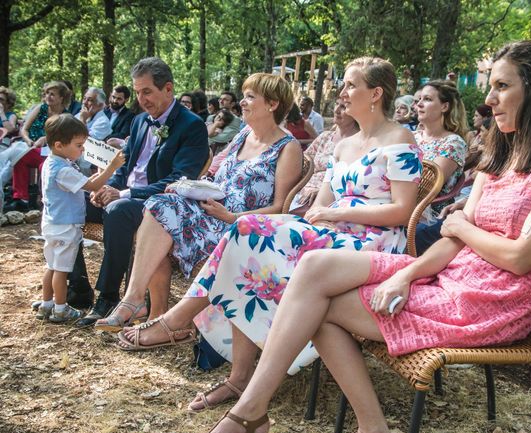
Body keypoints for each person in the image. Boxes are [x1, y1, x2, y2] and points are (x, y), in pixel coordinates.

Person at [172, 40, 531, 433]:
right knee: (314, 268)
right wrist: (407, 274)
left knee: (318, 307)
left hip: (493, 299)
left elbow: (521, 258)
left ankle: (302, 426)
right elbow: (452, 242)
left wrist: (461, 228)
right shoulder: (500, 156)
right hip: (451, 273)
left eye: (501, 87)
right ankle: (268, 417)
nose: (488, 101)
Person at [117, 57, 421, 413]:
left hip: (374, 243)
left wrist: (333, 215)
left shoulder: (400, 139)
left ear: (376, 93)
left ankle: (183, 324)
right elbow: (318, 208)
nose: (342, 92)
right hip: (332, 233)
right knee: (247, 235)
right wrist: (313, 221)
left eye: (351, 85)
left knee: (251, 234)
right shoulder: (345, 145)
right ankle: (235, 371)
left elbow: (402, 210)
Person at [94, 73, 302, 330]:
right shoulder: (243, 135)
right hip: (209, 210)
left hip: (240, 226)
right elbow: (213, 174)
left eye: (250, 97)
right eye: (244, 96)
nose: (242, 103)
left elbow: (281, 207)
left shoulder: (288, 147)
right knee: (160, 204)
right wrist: (188, 187)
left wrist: (229, 216)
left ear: (272, 104)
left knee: (161, 217)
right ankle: (137, 300)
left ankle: (146, 308)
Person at [69, 57, 209, 327]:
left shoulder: (192, 126)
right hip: (122, 195)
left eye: (147, 91)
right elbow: (125, 166)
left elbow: (180, 179)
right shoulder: (139, 121)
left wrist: (122, 194)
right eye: (137, 92)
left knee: (118, 211)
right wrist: (106, 187)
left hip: (157, 204)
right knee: (71, 205)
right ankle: (78, 287)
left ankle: (109, 298)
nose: (141, 99)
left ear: (168, 89)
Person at [37, 114, 125, 323]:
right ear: (59, 145)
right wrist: (112, 168)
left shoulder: (53, 163)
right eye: (78, 145)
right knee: (62, 269)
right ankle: (60, 309)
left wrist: (102, 171)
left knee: (51, 266)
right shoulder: (63, 170)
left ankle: (46, 304)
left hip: (52, 223)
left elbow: (86, 181)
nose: (82, 149)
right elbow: (92, 186)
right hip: (65, 226)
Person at [412, 80, 468, 253]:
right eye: (419, 99)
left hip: (430, 214)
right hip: (398, 201)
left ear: (444, 106)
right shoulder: (411, 136)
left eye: (427, 99)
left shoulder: (453, 143)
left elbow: (426, 185)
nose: (419, 104)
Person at [5, 81, 70, 212]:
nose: (48, 97)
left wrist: (46, 138)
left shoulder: (65, 116)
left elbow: (64, 139)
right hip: (30, 147)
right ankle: (21, 199)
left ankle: (44, 200)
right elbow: (24, 129)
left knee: (44, 165)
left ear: (61, 98)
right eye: (47, 93)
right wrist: (28, 140)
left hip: (50, 152)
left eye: (52, 94)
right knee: (20, 158)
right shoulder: (41, 108)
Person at [288, 99, 359, 216]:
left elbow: (351, 180)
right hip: (301, 191)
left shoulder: (358, 143)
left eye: (343, 107)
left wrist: (322, 192)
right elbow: (303, 163)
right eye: (337, 104)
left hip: (328, 198)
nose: (336, 110)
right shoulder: (325, 137)